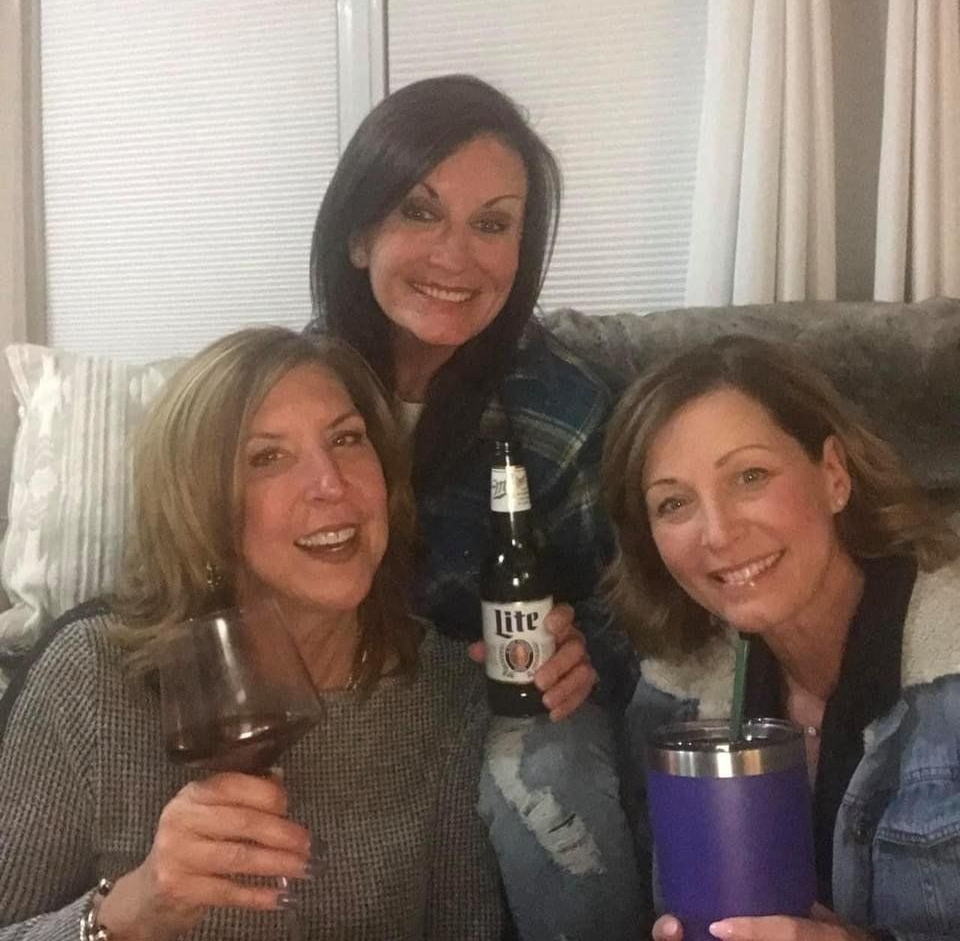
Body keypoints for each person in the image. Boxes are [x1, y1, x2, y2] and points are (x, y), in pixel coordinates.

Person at [0, 326, 503, 940]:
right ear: (201, 505)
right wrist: (131, 912)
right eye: (268, 457)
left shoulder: (447, 689)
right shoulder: (91, 678)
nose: (331, 484)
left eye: (346, 439)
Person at [308, 73, 645, 939]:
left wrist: (585, 652)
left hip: (501, 709)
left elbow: (642, 608)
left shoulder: (565, 406)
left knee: (547, 767)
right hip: (333, 698)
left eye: (492, 223)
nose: (457, 257)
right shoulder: (289, 396)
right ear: (357, 234)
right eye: (420, 212)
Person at [602, 334, 960, 941]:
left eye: (749, 476)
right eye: (673, 504)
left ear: (833, 476)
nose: (716, 533)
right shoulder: (675, 694)